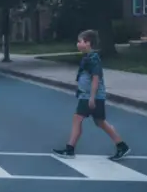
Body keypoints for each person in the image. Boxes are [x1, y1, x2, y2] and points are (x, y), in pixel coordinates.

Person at [53, 29, 130, 160]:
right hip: (89, 95)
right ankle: (121, 146)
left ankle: (70, 149)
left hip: (90, 96)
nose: (77, 44)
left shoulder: (93, 59)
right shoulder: (88, 57)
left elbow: (95, 78)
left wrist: (92, 97)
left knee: (78, 118)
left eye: (80, 41)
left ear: (88, 43)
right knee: (100, 122)